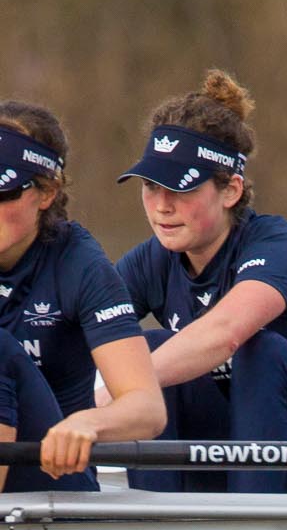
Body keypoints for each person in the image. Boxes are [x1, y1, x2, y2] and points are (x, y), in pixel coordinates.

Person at [114, 71, 287, 493]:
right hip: (250, 463)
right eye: (152, 186)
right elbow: (72, 332)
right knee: (144, 350)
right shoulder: (153, 260)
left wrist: (116, 396)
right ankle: (156, 519)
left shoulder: (282, 247)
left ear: (230, 191)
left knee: (257, 351)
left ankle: (246, 527)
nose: (162, 206)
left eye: (181, 188)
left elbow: (225, 334)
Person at [0, 102, 165, 493]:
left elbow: (148, 408)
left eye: (2, 192)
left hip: (52, 480)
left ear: (46, 193)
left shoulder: (79, 264)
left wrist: (87, 423)